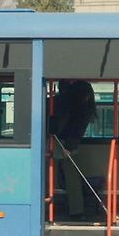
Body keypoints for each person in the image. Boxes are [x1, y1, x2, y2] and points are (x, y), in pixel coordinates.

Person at [50, 80, 97, 219]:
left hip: (63, 143)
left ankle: (75, 210)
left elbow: (71, 128)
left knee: (68, 177)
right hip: (68, 144)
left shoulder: (66, 104)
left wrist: (69, 147)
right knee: (71, 178)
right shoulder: (84, 108)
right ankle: (76, 210)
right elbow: (77, 130)